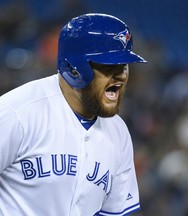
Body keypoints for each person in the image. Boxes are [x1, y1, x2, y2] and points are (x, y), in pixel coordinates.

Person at [0, 13, 146, 216]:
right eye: (109, 66)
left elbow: (115, 212)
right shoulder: (17, 113)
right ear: (74, 69)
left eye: (124, 66)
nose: (121, 75)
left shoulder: (118, 132)